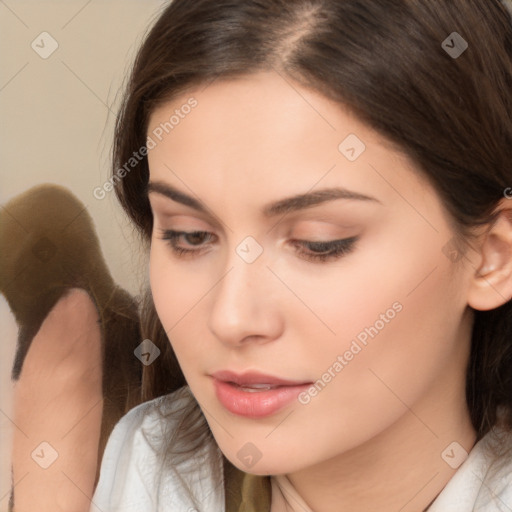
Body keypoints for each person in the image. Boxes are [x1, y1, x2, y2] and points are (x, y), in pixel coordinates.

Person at [89, 0, 512, 510]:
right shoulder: (152, 465)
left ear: (493, 257)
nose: (231, 318)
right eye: (190, 235)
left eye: (319, 244)